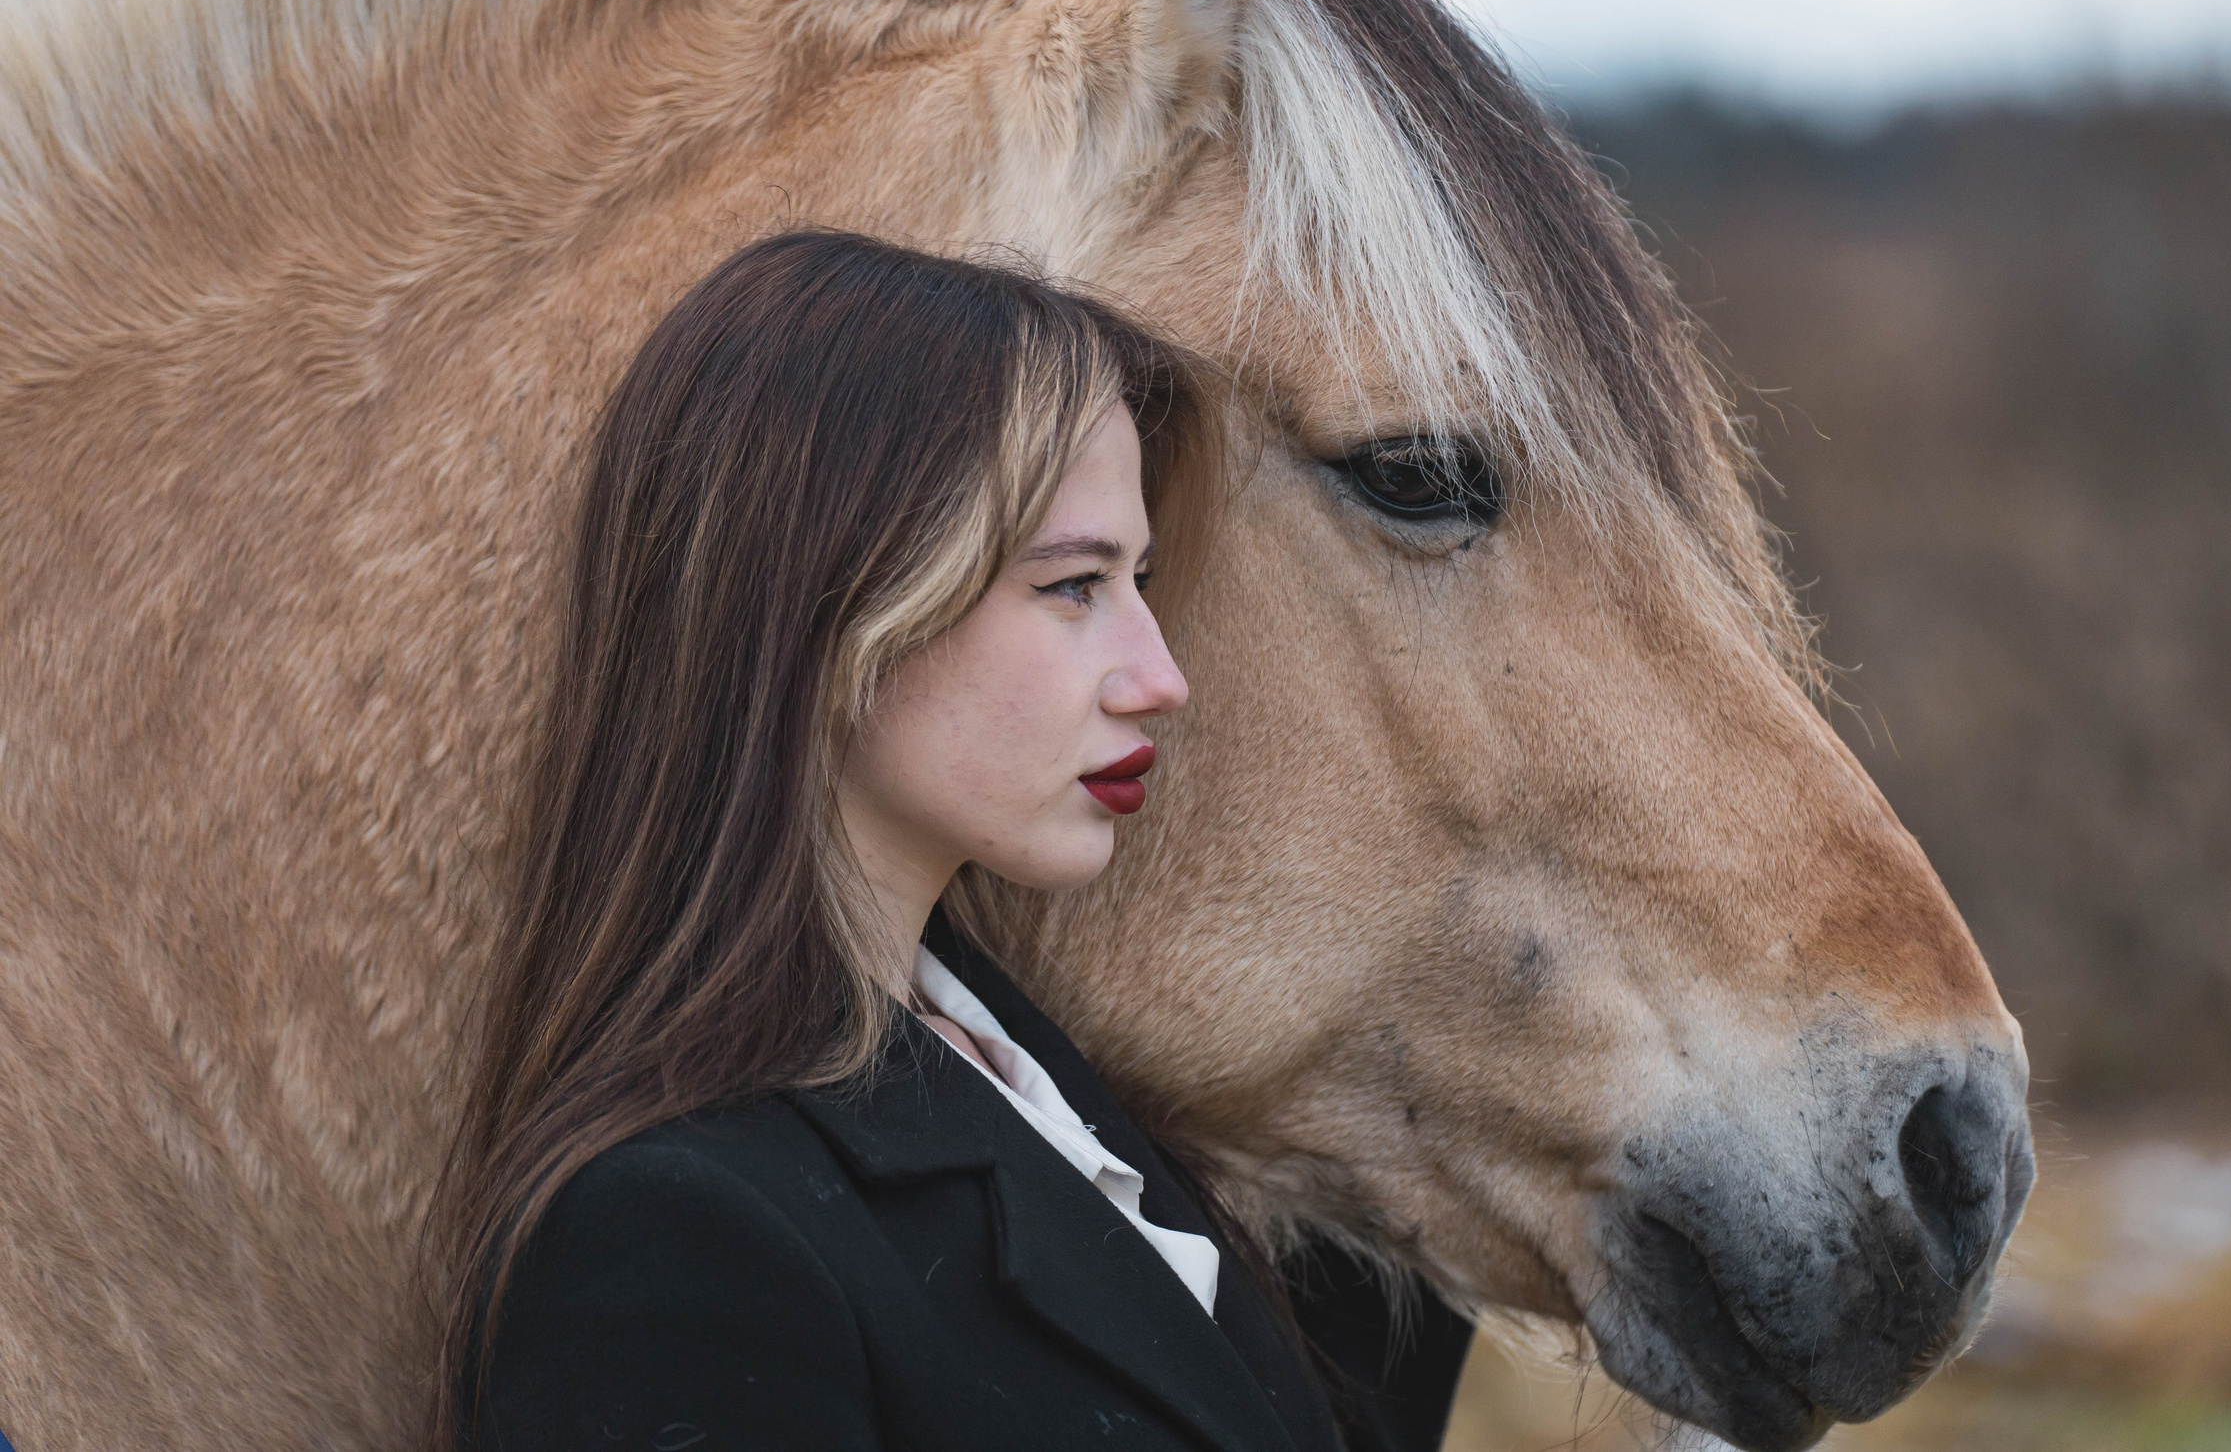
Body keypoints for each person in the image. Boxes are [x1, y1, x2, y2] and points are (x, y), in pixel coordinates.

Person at [429, 232, 1470, 1452]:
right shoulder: (670, 1240)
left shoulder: (1032, 1086)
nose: (1160, 676)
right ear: (832, 610)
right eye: (1074, 586)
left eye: (1143, 577)